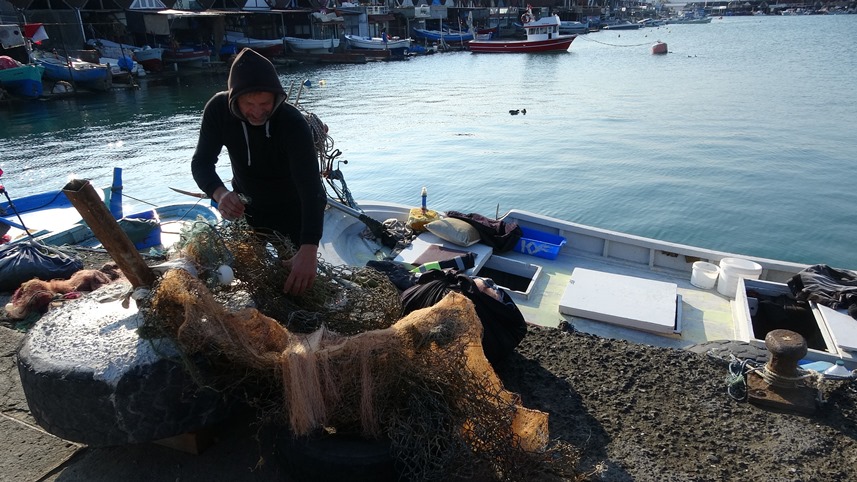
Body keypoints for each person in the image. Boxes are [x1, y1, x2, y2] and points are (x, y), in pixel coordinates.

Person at [191, 48, 327, 296]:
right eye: (248, 104)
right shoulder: (218, 111)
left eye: (265, 103)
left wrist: (309, 248)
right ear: (234, 100)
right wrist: (220, 195)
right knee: (250, 283)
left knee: (298, 289)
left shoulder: (292, 123)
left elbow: (312, 190)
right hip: (247, 209)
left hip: (292, 212)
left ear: (276, 98)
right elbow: (201, 163)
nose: (257, 112)